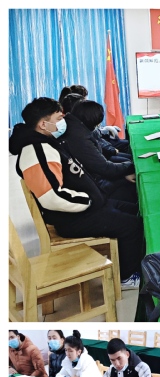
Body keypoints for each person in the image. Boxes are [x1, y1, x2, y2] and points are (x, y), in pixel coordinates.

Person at [10, 97, 144, 289]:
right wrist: (89, 200)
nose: (63, 122)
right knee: (132, 226)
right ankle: (127, 277)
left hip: (90, 206)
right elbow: (51, 197)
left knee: (138, 211)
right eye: (58, 119)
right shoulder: (37, 151)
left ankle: (138, 264)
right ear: (43, 124)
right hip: (74, 218)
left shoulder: (48, 142)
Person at [62, 101, 137, 204]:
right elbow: (105, 168)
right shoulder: (79, 137)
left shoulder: (76, 126)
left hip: (94, 178)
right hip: (94, 188)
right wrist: (134, 165)